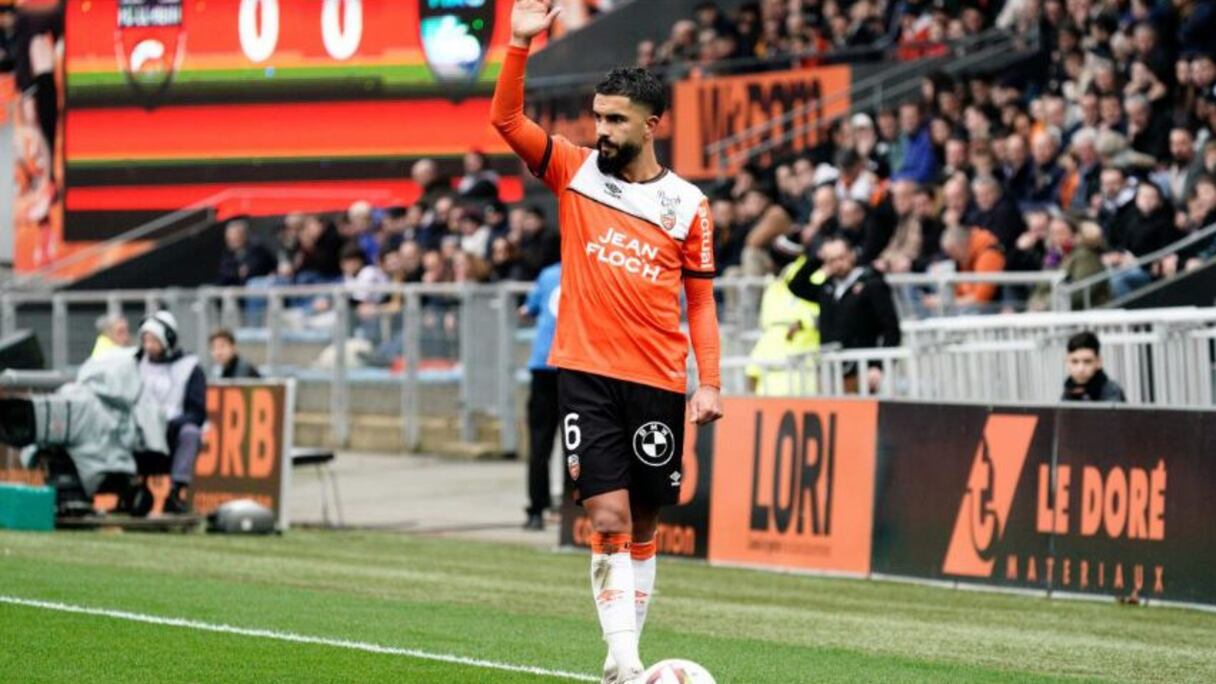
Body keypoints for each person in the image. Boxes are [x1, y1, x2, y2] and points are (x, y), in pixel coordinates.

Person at [491, 3, 723, 681]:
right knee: (608, 515)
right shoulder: (573, 169)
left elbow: (700, 301)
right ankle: (628, 662)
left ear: (653, 125)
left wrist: (709, 381)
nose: (603, 131)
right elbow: (507, 122)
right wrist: (518, 45)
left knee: (645, 521)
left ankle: (621, 662)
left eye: (617, 120)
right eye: (598, 118)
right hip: (586, 374)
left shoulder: (689, 205)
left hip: (658, 379)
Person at [788, 237, 901, 393]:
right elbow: (796, 286)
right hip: (830, 369)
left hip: (861, 369)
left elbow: (891, 329)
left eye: (841, 257)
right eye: (831, 260)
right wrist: (817, 259)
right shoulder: (827, 288)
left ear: (851, 255)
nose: (838, 264)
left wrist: (879, 366)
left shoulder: (872, 284)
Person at [136, 311, 206, 514]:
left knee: (190, 433)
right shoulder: (136, 363)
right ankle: (137, 490)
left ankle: (176, 492)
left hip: (173, 430)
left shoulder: (190, 367)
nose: (149, 346)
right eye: (146, 341)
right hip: (141, 430)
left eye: (154, 341)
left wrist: (170, 424)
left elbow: (197, 413)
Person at [520, 262, 564, 531]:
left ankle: (536, 510)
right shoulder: (595, 269)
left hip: (544, 364)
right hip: (576, 366)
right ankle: (576, 513)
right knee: (581, 445)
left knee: (539, 444)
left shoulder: (548, 274)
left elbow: (528, 309)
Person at [1061, 331, 1127, 402]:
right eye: (1075, 361)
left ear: (1099, 362)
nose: (1080, 369)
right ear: (1067, 362)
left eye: (1087, 362)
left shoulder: (1111, 391)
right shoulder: (1068, 391)